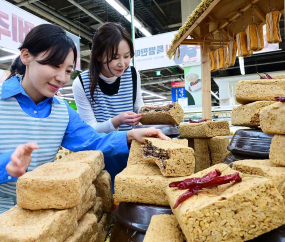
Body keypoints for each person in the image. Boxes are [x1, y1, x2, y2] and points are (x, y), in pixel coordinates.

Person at [0, 24, 169, 214]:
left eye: (68, 70)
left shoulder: (62, 111)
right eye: (55, 65)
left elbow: (93, 141)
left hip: (42, 212)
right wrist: (5, 164)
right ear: (26, 56)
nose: (61, 78)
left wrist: (130, 135)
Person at [72, 22, 145, 184]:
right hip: (102, 157)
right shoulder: (82, 83)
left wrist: (150, 112)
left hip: (134, 154)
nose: (122, 64)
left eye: (127, 56)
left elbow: (139, 107)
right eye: (114, 58)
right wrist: (116, 121)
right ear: (98, 56)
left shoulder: (132, 74)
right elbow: (90, 130)